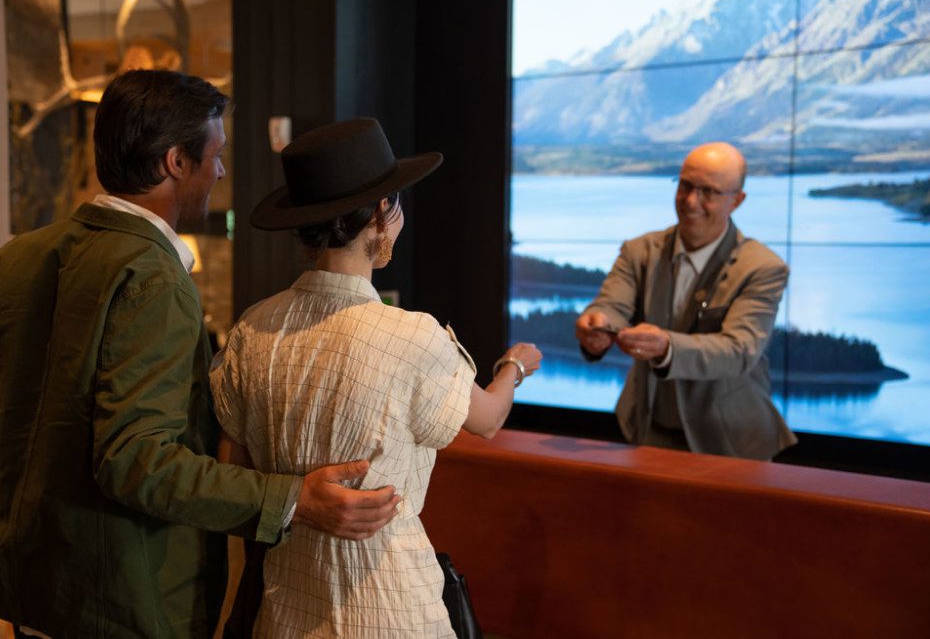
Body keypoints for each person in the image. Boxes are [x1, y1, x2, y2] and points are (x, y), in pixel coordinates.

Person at [0, 70, 400, 638]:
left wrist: (5, 548)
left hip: (25, 590)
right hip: (121, 605)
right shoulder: (152, 277)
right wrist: (293, 498)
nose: (220, 171)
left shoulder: (13, 259)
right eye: (215, 155)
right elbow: (137, 460)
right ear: (175, 162)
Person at [210, 117, 542, 637]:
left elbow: (239, 472)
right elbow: (488, 419)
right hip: (390, 607)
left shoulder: (252, 328)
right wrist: (514, 367)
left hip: (284, 609)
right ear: (380, 214)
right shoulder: (412, 336)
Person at [574, 142, 796, 460]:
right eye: (685, 185)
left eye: (708, 192)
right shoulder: (639, 251)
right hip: (645, 429)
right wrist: (597, 324)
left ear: (737, 200)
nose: (691, 201)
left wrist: (667, 347)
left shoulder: (762, 267)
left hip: (731, 441)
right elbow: (611, 306)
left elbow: (740, 350)